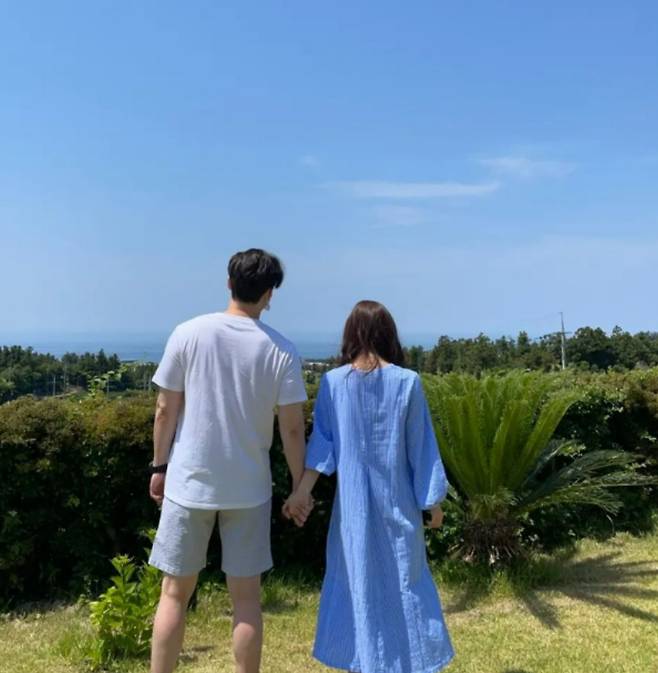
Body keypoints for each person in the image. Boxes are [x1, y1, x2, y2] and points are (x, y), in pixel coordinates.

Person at [148, 248, 312, 673]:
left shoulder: (187, 333)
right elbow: (292, 429)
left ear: (228, 283)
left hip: (189, 482)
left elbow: (165, 409)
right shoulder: (281, 350)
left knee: (173, 594)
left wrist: (159, 466)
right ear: (270, 294)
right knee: (246, 600)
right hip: (249, 488)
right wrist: (299, 487)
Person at [285, 300, 454, 673]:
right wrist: (433, 503)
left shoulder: (333, 383)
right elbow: (420, 448)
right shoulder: (407, 383)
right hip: (399, 507)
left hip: (353, 513)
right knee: (406, 584)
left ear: (351, 333)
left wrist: (302, 490)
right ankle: (406, 663)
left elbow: (323, 446)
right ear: (388, 333)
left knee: (357, 585)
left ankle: (364, 661)